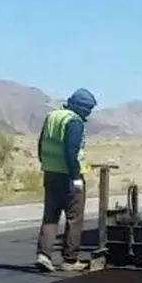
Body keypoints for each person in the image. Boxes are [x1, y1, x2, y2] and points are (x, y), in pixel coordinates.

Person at [34, 88, 98, 273]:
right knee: (74, 218)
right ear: (81, 107)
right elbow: (71, 152)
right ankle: (70, 259)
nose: (88, 114)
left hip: (51, 174)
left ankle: (44, 255)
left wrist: (47, 165)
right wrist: (76, 177)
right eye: (88, 109)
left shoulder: (52, 117)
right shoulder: (74, 122)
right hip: (69, 178)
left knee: (51, 216)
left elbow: (41, 145)